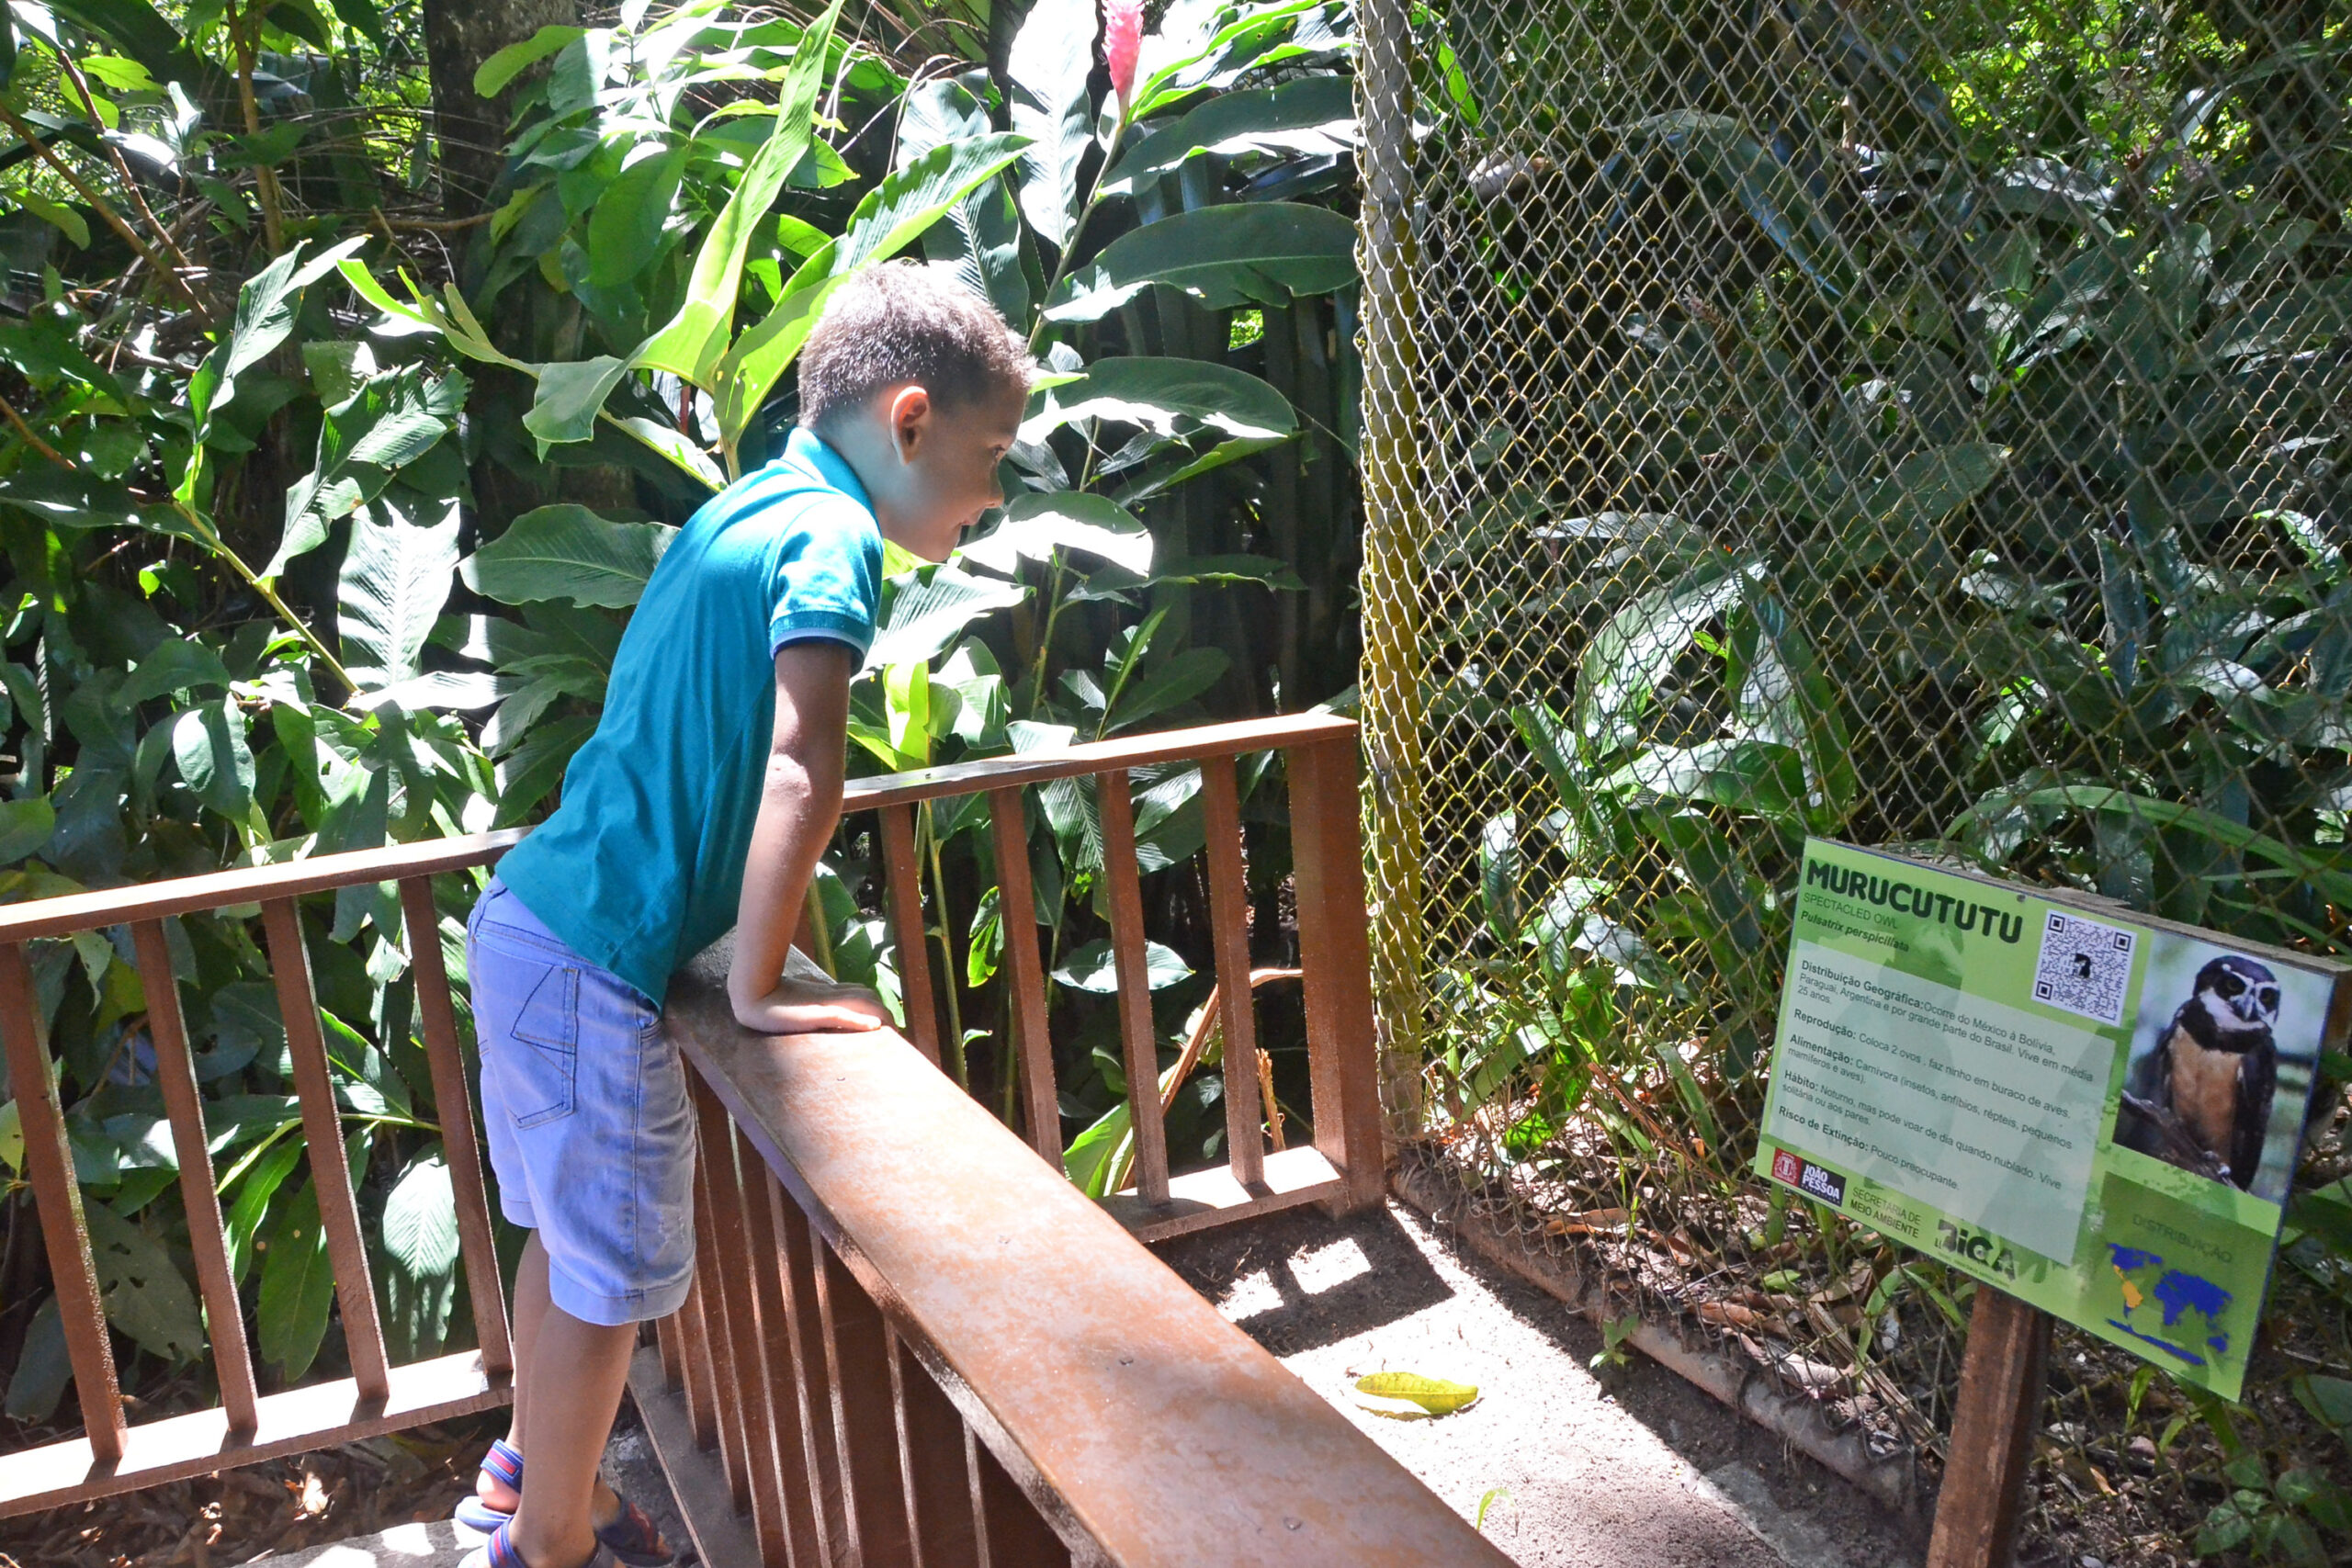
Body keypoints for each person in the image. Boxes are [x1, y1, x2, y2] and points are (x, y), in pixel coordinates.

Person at [454, 264, 1035, 1568]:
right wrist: (763, 985)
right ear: (908, 422)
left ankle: (532, 1479)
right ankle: (550, 1541)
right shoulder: (832, 537)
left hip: (534, 923)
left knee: (569, 1239)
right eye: (989, 455)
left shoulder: (748, 506)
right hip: (597, 957)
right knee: (616, 1279)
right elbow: (801, 764)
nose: (995, 494)